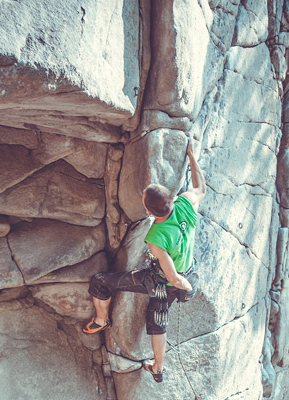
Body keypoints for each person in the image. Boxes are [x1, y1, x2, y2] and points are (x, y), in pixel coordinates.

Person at [83, 139, 206, 383]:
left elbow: (171, 277)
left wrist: (186, 287)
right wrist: (192, 157)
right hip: (188, 269)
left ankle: (101, 320)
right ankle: (157, 368)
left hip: (166, 281)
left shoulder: (156, 238)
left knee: (100, 282)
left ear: (149, 212)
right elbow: (200, 187)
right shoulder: (185, 203)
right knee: (158, 319)